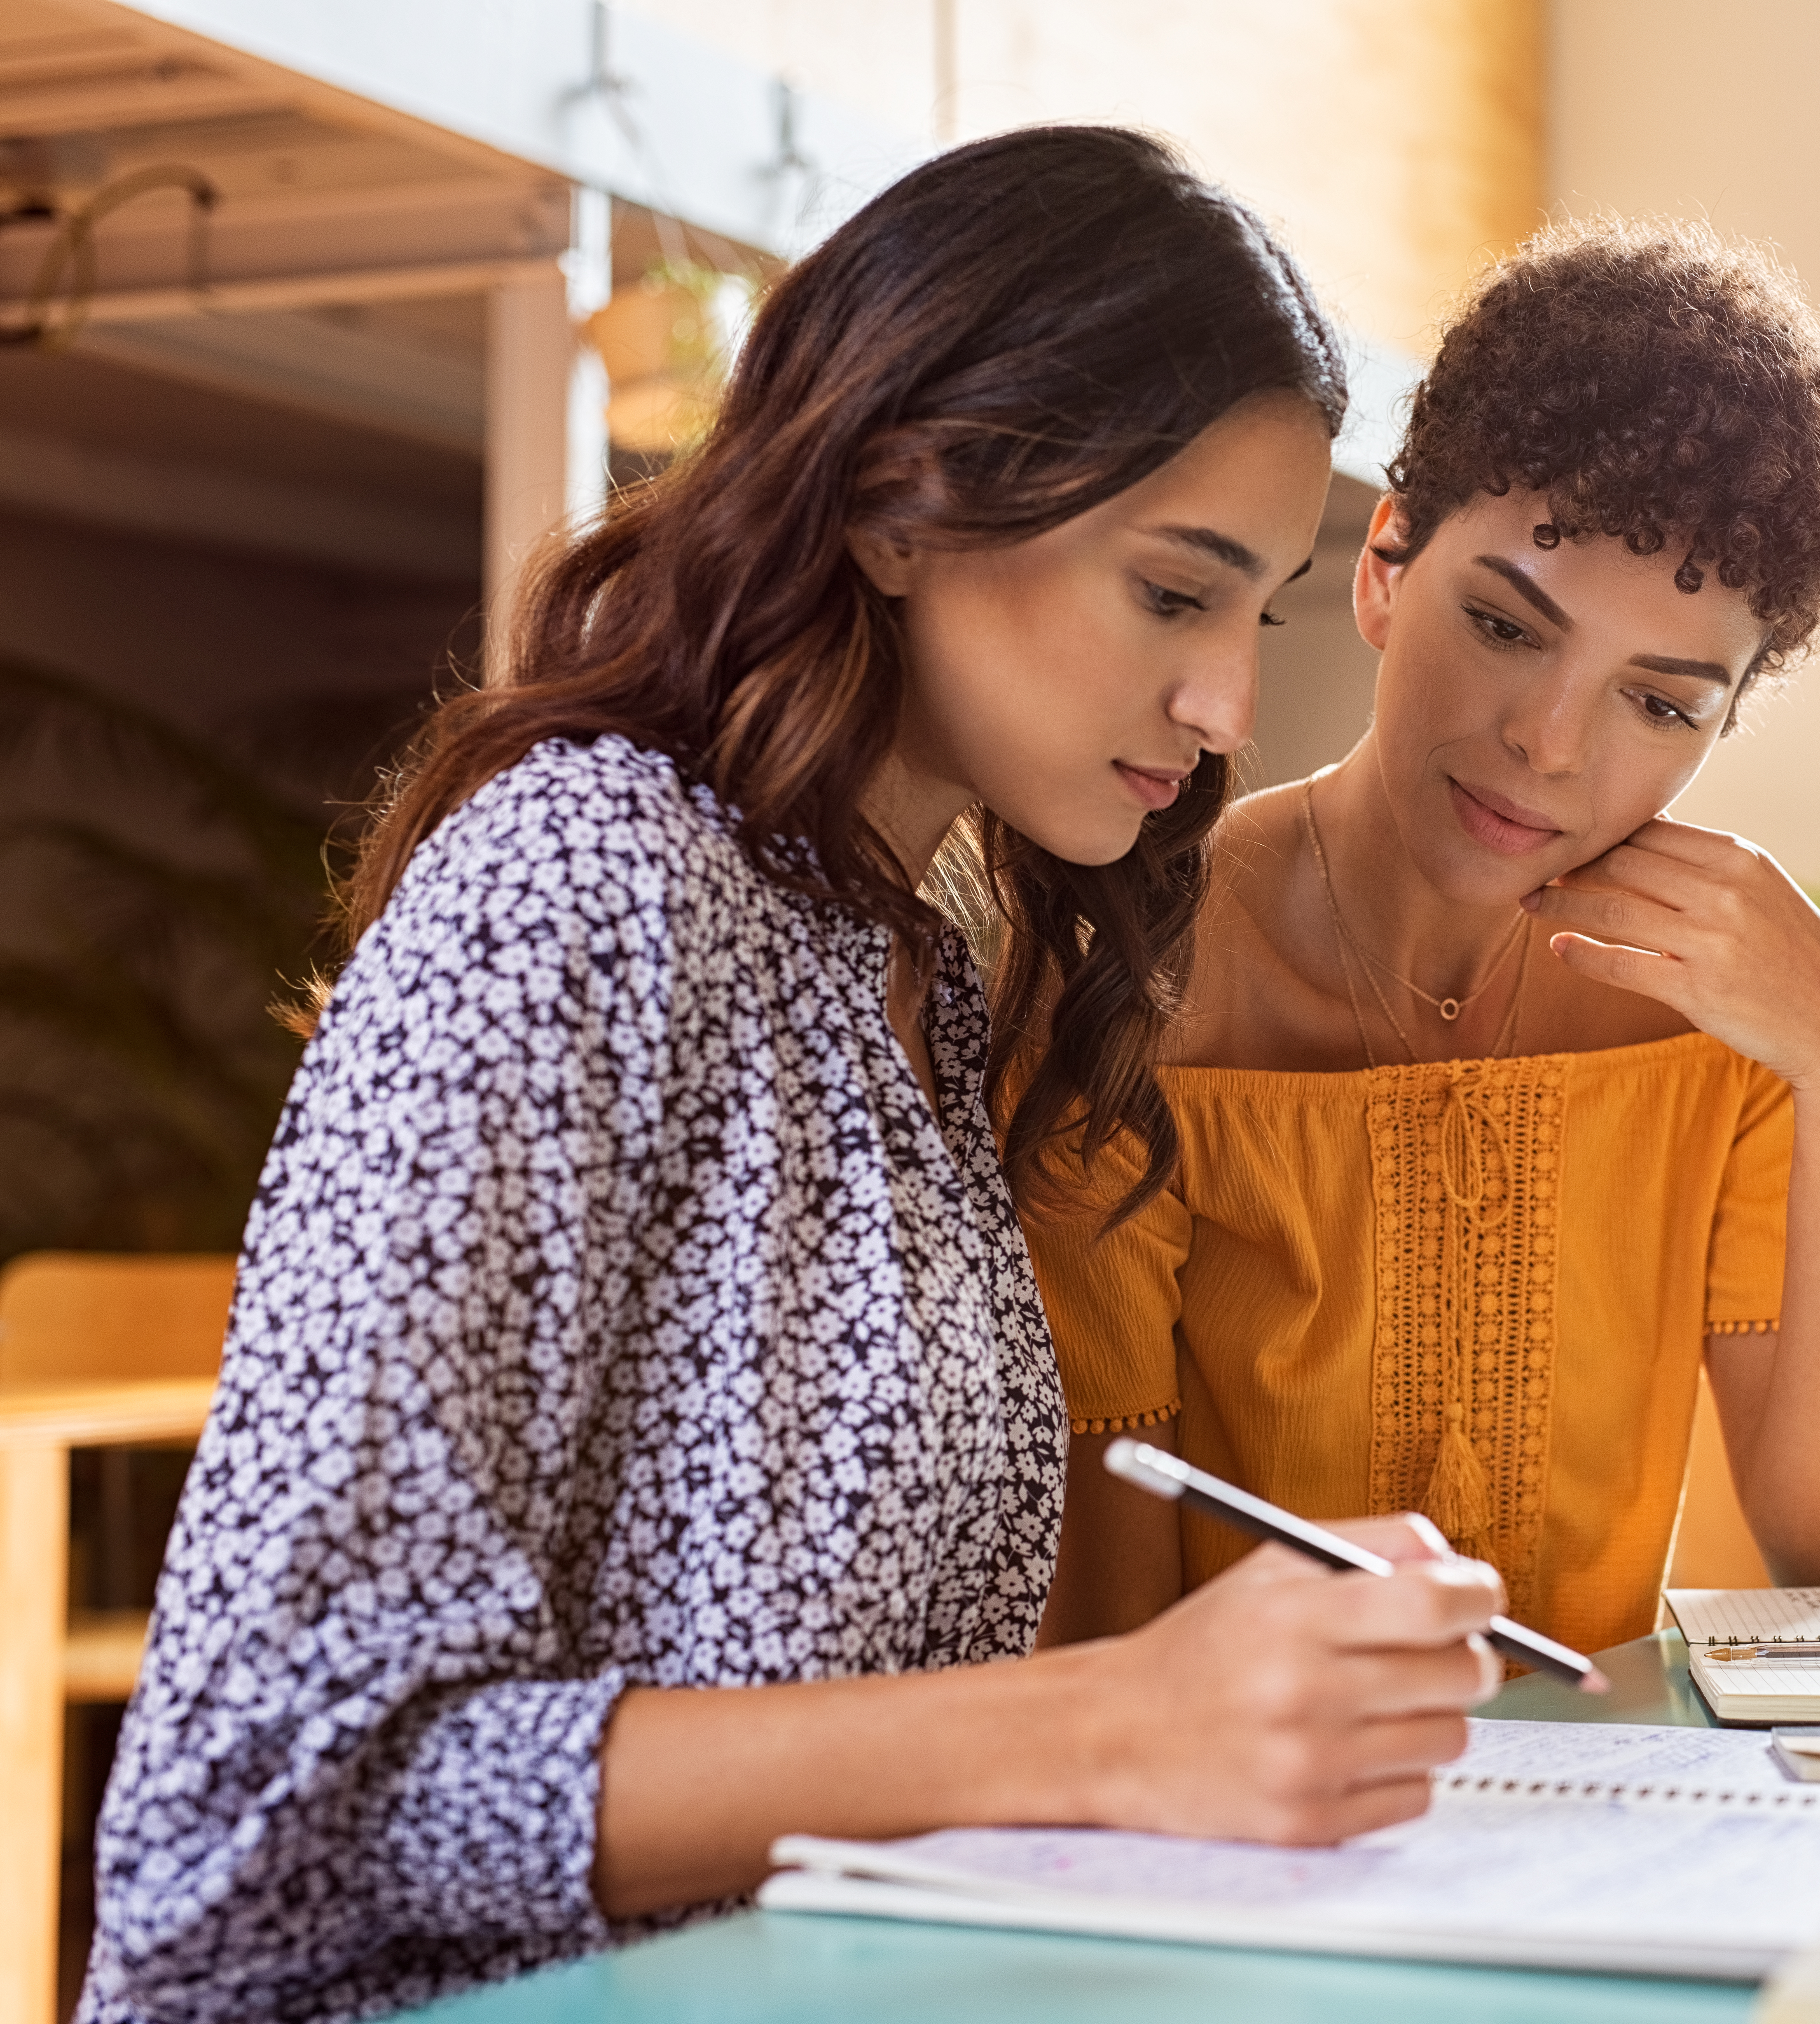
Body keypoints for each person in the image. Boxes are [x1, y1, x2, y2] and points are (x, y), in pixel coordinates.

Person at [82, 128, 1505, 2024]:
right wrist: (1099, 1723)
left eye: (1258, 609)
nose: (1230, 704)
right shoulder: (582, 880)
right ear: (898, 511)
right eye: (1174, 593)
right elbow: (292, 1792)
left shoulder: (921, 954)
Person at [1027, 218, 1820, 1662]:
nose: (1549, 748)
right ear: (1384, 568)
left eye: (1664, 704)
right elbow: (1102, 1631)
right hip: (1230, 1841)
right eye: (1509, 627)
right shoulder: (1140, 992)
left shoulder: (1728, 1029)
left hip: (1605, 1834)